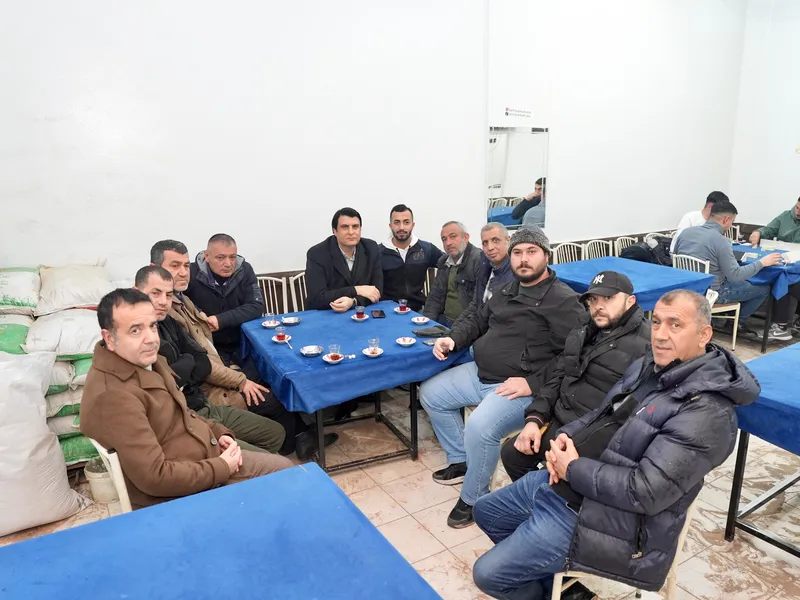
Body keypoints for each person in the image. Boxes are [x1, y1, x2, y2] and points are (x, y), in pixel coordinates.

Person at [471, 290, 759, 600]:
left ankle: (549, 584)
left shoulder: (707, 412)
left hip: (604, 518)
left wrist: (572, 468)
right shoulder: (649, 365)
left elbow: (645, 492)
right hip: (571, 483)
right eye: (657, 322)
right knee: (485, 511)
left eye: (675, 325)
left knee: (488, 575)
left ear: (704, 335)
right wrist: (564, 439)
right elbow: (599, 414)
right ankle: (559, 588)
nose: (660, 335)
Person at [420, 226, 584, 528]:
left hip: (519, 388)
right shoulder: (507, 290)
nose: (523, 259)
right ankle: (461, 460)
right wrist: (453, 339)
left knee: (480, 428)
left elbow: (572, 357)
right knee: (430, 393)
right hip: (482, 373)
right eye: (517, 253)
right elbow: (477, 319)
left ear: (546, 256)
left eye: (531, 252)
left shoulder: (563, 301)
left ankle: (474, 498)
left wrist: (532, 383)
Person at [80, 288, 293, 510]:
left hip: (201, 455)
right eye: (135, 330)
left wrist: (218, 433)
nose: (151, 339)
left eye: (152, 326)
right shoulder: (113, 396)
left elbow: (183, 411)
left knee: (283, 466)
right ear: (109, 338)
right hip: (181, 490)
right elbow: (154, 477)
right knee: (286, 475)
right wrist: (221, 467)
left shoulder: (146, 361)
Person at [150, 240, 338, 459]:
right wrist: (239, 380)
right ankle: (290, 443)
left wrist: (220, 331)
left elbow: (256, 307)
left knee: (270, 374)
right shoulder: (165, 312)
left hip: (228, 355)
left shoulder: (182, 298)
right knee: (270, 396)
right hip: (206, 391)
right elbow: (200, 365)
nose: (183, 272)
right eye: (174, 266)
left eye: (184, 265)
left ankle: (300, 435)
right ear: (206, 257)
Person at [501, 271, 650, 482]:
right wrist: (535, 419)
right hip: (559, 422)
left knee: (552, 481)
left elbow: (626, 414)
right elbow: (559, 375)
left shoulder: (646, 345)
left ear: (630, 301)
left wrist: (572, 445)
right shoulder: (585, 329)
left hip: (593, 438)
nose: (598, 306)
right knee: (513, 454)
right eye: (593, 299)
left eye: (608, 298)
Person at [136, 265, 289, 455]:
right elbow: (172, 379)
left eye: (168, 295)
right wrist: (190, 362)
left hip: (203, 403)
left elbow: (202, 361)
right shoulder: (140, 339)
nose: (163, 301)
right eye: (155, 293)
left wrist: (187, 364)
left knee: (276, 432)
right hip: (186, 418)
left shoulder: (170, 319)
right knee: (267, 454)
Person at [673, 201, 783, 333]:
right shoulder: (721, 241)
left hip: (685, 289)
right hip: (712, 293)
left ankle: (726, 317)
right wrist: (762, 263)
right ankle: (736, 323)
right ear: (726, 220)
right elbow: (735, 275)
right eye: (732, 221)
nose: (731, 225)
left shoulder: (685, 233)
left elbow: (675, 255)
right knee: (764, 289)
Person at [185, 234, 264, 367]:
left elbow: (256, 306)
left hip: (244, 342)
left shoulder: (245, 269)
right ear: (207, 256)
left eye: (232, 257)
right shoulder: (190, 272)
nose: (228, 264)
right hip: (207, 346)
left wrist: (220, 320)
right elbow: (181, 302)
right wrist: (198, 312)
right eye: (220, 258)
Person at [305, 207, 383, 311]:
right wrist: (356, 290)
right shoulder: (317, 254)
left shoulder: (371, 248)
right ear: (335, 231)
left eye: (355, 227)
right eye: (345, 227)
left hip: (361, 312)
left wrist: (354, 302)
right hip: (327, 313)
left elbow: (377, 291)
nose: (351, 232)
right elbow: (317, 298)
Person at [748, 197, 800, 336]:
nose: (797, 212)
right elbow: (768, 230)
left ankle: (782, 326)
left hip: (796, 268)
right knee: (782, 278)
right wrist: (758, 233)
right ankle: (782, 325)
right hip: (786, 263)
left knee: (785, 281)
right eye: (797, 208)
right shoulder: (785, 216)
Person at [379, 204, 444, 311]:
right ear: (390, 226)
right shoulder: (379, 253)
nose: (401, 227)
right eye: (397, 222)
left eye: (406, 222)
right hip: (388, 311)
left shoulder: (426, 249)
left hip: (418, 310)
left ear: (412, 225)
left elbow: (449, 264)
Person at [422, 221, 483, 327]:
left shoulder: (479, 259)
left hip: (466, 326)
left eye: (453, 236)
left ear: (466, 237)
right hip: (443, 320)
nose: (448, 243)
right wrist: (427, 324)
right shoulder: (444, 261)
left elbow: (478, 304)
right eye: (444, 239)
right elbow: (435, 296)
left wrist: (457, 330)